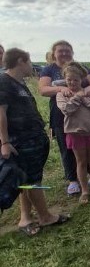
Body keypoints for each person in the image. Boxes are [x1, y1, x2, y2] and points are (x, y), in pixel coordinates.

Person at [0, 48, 70, 236]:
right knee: (32, 181)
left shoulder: (17, 82)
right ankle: (44, 216)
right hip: (20, 141)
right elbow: (1, 114)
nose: (32, 66)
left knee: (27, 179)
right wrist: (4, 142)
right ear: (20, 61)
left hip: (31, 139)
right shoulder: (4, 82)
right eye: (29, 61)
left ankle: (26, 217)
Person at [39, 41, 90, 195]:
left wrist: (84, 91)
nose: (64, 53)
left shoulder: (82, 67)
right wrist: (61, 88)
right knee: (66, 147)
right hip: (61, 112)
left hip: (85, 111)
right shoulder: (49, 69)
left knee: (88, 149)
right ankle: (73, 179)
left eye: (68, 50)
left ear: (72, 52)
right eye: (61, 51)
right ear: (54, 53)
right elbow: (43, 90)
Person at [56, 62, 90, 205]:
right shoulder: (61, 95)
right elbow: (67, 110)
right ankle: (84, 191)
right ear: (65, 79)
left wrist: (83, 96)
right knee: (81, 162)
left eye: (76, 80)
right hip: (74, 133)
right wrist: (77, 97)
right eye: (69, 79)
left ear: (81, 80)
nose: (72, 82)